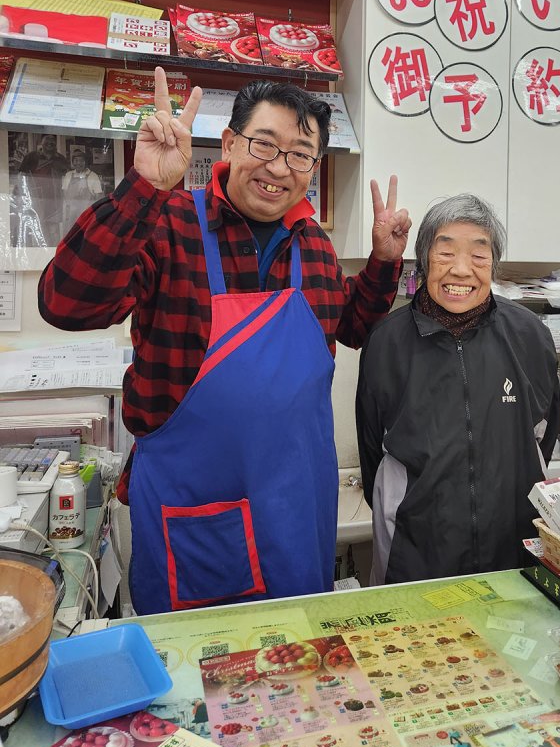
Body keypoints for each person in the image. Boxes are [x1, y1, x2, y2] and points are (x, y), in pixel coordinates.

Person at [39, 68, 410, 615]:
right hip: (194, 507)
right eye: (266, 144)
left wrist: (383, 261)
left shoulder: (314, 246)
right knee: (197, 676)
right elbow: (66, 303)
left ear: (313, 167)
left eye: (301, 154)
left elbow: (352, 326)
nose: (279, 167)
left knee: (302, 668)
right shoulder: (168, 225)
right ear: (232, 144)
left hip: (295, 509)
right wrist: (144, 187)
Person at [356, 194, 560, 585]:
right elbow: (373, 451)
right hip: (415, 553)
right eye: (445, 253)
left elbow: (543, 436)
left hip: (514, 551)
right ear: (423, 259)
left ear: (494, 265)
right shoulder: (386, 342)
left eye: (479, 256)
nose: (462, 270)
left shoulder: (530, 335)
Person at [17, 133, 69, 245]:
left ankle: (52, 256)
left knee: (54, 230)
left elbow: (67, 179)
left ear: (55, 144)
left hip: (55, 200)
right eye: (47, 141)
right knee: (37, 228)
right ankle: (38, 256)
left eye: (52, 142)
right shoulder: (31, 157)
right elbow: (22, 177)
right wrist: (24, 196)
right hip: (36, 199)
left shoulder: (61, 159)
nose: (50, 143)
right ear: (42, 143)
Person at [61, 150, 104, 229]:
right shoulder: (69, 175)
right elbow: (65, 193)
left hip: (86, 213)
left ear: (85, 162)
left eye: (81, 160)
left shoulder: (93, 176)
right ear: (72, 162)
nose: (78, 163)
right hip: (71, 214)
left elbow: (99, 197)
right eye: (76, 160)